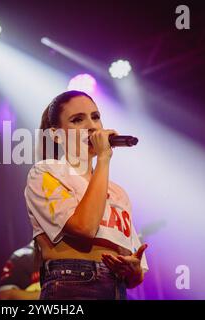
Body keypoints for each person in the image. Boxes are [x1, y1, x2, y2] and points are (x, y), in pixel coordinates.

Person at [24, 90, 148, 300]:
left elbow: (136, 277)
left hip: (117, 290)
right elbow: (84, 227)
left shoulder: (117, 192)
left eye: (96, 117)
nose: (92, 126)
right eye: (77, 120)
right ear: (56, 134)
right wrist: (103, 160)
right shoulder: (46, 172)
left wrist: (134, 270)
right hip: (73, 283)